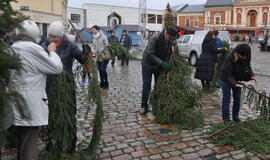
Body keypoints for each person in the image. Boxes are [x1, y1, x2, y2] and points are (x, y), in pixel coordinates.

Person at [10, 20, 63, 160]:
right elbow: (55, 68)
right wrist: (52, 52)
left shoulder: (13, 47)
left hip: (16, 100)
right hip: (30, 103)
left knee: (21, 139)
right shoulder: (33, 48)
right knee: (30, 143)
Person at [41, 21, 84, 153]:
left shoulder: (70, 46)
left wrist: (87, 54)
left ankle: (70, 144)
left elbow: (83, 59)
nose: (52, 39)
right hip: (50, 86)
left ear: (61, 36)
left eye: (55, 37)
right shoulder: (43, 46)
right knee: (52, 113)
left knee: (69, 113)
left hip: (66, 86)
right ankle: (52, 143)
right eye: (50, 36)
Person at [140, 26, 178, 115]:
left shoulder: (170, 40)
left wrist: (173, 62)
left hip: (158, 66)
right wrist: (162, 63)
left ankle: (156, 105)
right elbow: (150, 54)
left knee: (159, 86)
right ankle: (143, 106)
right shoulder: (155, 38)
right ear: (166, 33)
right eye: (171, 37)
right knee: (146, 86)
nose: (171, 39)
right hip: (148, 65)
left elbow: (172, 52)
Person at [219, 44, 256, 123]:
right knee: (227, 99)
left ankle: (236, 117)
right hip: (225, 79)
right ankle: (226, 119)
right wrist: (234, 83)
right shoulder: (230, 58)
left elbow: (248, 66)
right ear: (238, 53)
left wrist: (251, 75)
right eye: (242, 56)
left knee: (237, 99)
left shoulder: (246, 55)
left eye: (245, 56)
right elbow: (227, 75)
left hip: (237, 78)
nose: (244, 58)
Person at [92, 25, 110, 89]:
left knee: (103, 69)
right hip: (98, 57)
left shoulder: (103, 37)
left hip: (104, 56)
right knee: (99, 70)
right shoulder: (94, 38)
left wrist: (102, 51)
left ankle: (106, 82)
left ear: (98, 30)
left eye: (94, 30)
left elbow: (107, 45)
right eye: (92, 30)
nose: (93, 31)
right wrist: (94, 54)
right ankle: (102, 82)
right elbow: (94, 47)